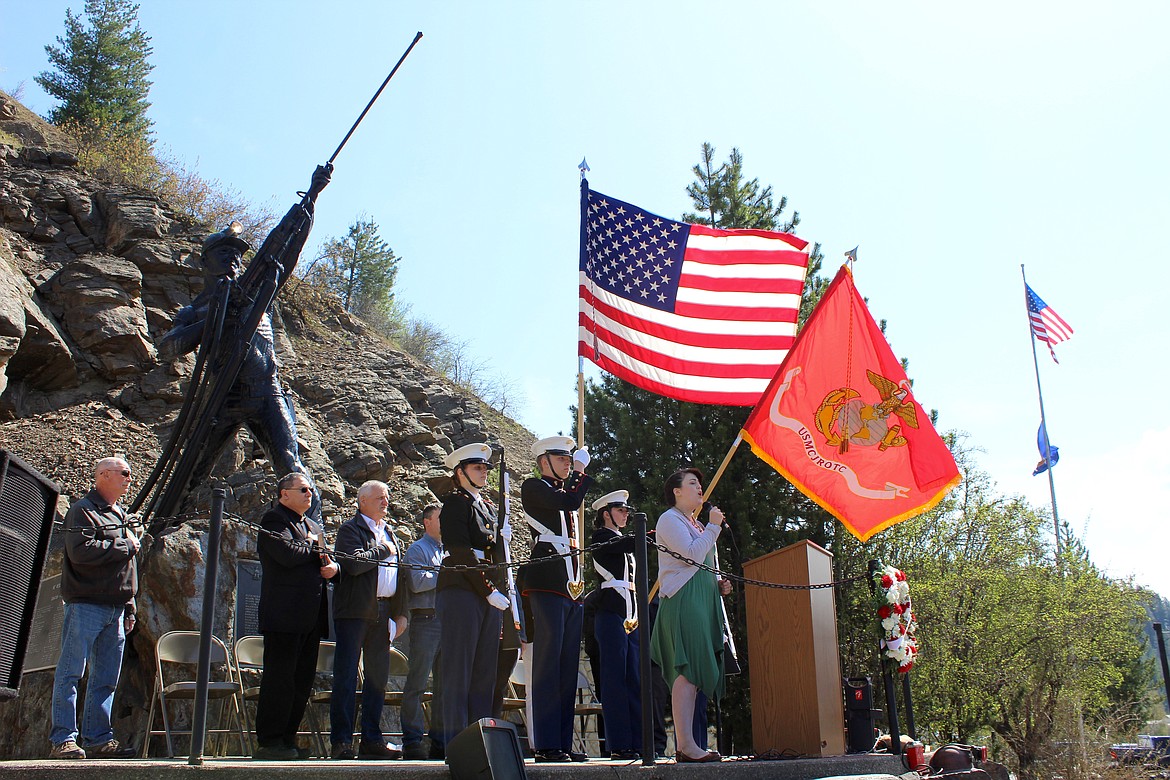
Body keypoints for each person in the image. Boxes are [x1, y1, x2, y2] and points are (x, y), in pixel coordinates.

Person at [153, 165, 332, 523]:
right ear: (206, 262)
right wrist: (216, 317)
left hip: (267, 391)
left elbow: (283, 247)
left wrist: (311, 197)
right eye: (225, 254)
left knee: (291, 463)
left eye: (237, 255)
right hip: (223, 396)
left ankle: (314, 534)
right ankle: (161, 529)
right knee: (192, 470)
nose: (234, 260)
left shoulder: (254, 294)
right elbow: (168, 348)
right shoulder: (195, 309)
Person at [49, 457, 140, 760]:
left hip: (116, 608)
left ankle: (98, 738)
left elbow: (126, 568)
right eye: (124, 473)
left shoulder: (120, 514)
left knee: (106, 678)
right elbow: (81, 552)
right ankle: (63, 738)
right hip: (86, 605)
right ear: (103, 476)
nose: (130, 479)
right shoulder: (82, 510)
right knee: (71, 672)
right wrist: (127, 545)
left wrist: (129, 603)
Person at [518, 435, 593, 763]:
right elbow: (567, 502)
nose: (566, 462)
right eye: (559, 457)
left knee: (565, 666)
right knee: (548, 665)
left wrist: (575, 475)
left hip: (570, 583)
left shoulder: (562, 491)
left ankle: (562, 742)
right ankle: (546, 743)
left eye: (568, 458)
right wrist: (578, 471)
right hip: (547, 580)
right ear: (543, 461)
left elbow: (570, 502)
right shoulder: (533, 487)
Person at [253, 471, 338, 760]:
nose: (308, 494)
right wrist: (315, 545)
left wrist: (331, 567)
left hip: (311, 617)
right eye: (302, 490)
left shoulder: (312, 524)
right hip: (284, 615)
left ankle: (288, 739)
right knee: (280, 679)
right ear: (284, 494)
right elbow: (286, 554)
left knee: (302, 682)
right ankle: (270, 741)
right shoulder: (274, 519)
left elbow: (324, 558)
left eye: (310, 490)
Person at [649, 468, 730, 763]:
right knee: (686, 669)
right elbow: (690, 555)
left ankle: (688, 744)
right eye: (693, 483)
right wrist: (713, 528)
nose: (700, 489)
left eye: (700, 484)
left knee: (694, 673)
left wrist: (719, 584)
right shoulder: (669, 519)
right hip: (683, 600)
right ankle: (685, 745)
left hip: (702, 600)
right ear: (677, 491)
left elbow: (704, 562)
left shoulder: (694, 523)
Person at [436, 443, 510, 748]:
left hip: (485, 592)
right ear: (460, 472)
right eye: (478, 468)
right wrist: (489, 590)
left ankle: (478, 739)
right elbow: (461, 552)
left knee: (483, 671)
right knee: (458, 669)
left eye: (485, 468)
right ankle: (449, 740)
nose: (484, 473)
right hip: (462, 590)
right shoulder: (455, 504)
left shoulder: (486, 506)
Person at [329, 480, 408, 760]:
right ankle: (341, 741)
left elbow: (402, 576)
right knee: (347, 677)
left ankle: (372, 739)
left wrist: (402, 614)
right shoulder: (350, 530)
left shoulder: (389, 532)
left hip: (384, 612)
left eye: (387, 497)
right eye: (379, 498)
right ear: (363, 501)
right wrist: (384, 550)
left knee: (377, 680)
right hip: (354, 613)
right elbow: (353, 563)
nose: (385, 502)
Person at [589, 490, 643, 760]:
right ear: (606, 514)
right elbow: (617, 547)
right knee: (614, 680)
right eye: (621, 511)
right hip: (611, 612)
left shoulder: (623, 540)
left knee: (633, 677)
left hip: (629, 614)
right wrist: (645, 536)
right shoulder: (601, 537)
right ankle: (618, 742)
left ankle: (636, 739)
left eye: (626, 511)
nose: (626, 515)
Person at [401, 504, 444, 761]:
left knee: (444, 686)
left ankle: (439, 740)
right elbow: (417, 583)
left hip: (447, 623)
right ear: (427, 521)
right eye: (441, 518)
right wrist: (447, 574)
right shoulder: (418, 549)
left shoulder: (446, 550)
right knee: (417, 683)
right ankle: (413, 740)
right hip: (425, 622)